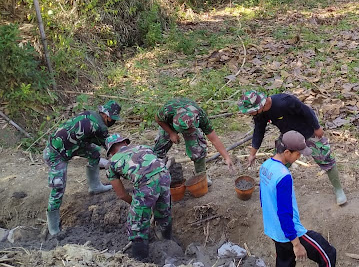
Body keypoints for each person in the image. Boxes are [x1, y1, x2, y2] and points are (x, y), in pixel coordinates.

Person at [238, 90, 347, 206]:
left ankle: (338, 189)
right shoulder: (260, 114)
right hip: (288, 135)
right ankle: (275, 188)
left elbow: (306, 111)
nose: (250, 114)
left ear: (259, 105)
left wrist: (317, 127)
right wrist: (252, 153)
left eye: (251, 112)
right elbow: (259, 131)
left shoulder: (283, 102)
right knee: (279, 161)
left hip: (307, 131)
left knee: (325, 158)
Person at [43, 100, 122, 236]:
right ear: (106, 116)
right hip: (56, 154)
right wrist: (122, 159)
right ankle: (53, 228)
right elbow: (109, 146)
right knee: (58, 188)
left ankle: (95, 186)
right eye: (112, 119)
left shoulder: (90, 115)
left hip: (71, 146)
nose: (113, 121)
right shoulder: (99, 127)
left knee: (94, 153)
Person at [259, 130, 337, 267]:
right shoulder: (283, 176)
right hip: (289, 232)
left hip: (274, 230)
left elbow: (263, 198)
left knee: (284, 261)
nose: (299, 157)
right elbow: (284, 212)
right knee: (328, 254)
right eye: (298, 154)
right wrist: (296, 243)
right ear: (287, 152)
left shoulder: (265, 167)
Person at [106, 133, 172, 261]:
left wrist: (136, 205)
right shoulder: (144, 147)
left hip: (145, 184)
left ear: (111, 151)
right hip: (165, 176)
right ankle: (168, 243)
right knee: (163, 212)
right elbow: (154, 165)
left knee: (137, 224)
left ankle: (141, 260)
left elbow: (121, 194)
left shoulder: (112, 163)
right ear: (125, 143)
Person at [152, 98, 235, 183]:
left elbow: (214, 138)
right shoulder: (168, 110)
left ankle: (201, 174)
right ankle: (154, 172)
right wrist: (171, 133)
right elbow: (158, 119)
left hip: (190, 125)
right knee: (160, 145)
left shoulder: (200, 116)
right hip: (168, 123)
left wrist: (227, 158)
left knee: (197, 147)